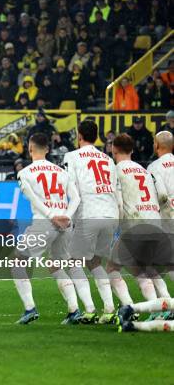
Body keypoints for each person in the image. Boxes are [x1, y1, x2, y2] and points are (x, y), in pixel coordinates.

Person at [14, 133, 82, 325]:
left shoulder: (24, 173)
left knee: (18, 262)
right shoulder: (62, 172)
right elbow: (76, 198)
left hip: (45, 222)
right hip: (65, 224)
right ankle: (74, 310)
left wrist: (53, 216)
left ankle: (30, 308)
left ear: (29, 148)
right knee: (56, 265)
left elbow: (34, 199)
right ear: (48, 149)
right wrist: (66, 216)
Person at [106, 134, 170, 316]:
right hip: (155, 223)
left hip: (135, 225)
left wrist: (116, 228)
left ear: (113, 149)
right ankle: (164, 305)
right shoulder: (145, 171)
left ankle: (129, 308)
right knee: (145, 267)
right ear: (132, 150)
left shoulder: (116, 171)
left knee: (112, 268)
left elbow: (118, 203)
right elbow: (162, 197)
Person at [63, 120, 119, 324]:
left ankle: (88, 309)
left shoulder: (72, 156)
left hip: (89, 212)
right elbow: (113, 187)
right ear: (96, 136)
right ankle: (110, 308)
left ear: (79, 136)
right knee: (95, 261)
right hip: (110, 213)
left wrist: (68, 215)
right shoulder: (107, 158)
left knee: (73, 262)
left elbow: (71, 189)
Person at [147, 131, 174, 220]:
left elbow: (162, 195)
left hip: (168, 216)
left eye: (154, 142)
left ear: (156, 145)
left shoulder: (154, 167)